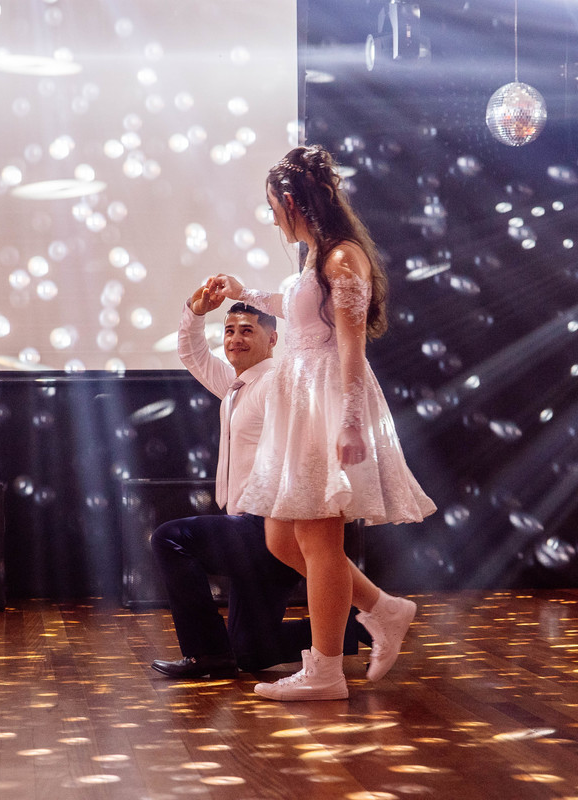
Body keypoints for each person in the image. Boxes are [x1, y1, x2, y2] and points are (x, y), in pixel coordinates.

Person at [208, 144, 436, 701]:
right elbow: (299, 309)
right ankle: (383, 609)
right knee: (282, 536)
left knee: (316, 538)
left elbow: (353, 347)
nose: (272, 219)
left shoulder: (341, 259)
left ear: (291, 201)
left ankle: (327, 671)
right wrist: (245, 293)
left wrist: (352, 423)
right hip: (300, 400)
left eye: (272, 208)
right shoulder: (316, 258)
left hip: (326, 403)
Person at [150, 282, 366, 678]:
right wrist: (195, 311)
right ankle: (350, 629)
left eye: (247, 330)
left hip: (265, 528)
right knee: (248, 655)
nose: (235, 339)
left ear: (273, 339)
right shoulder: (235, 386)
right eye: (229, 332)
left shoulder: (275, 383)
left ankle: (205, 654)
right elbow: (192, 354)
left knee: (171, 537)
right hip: (248, 531)